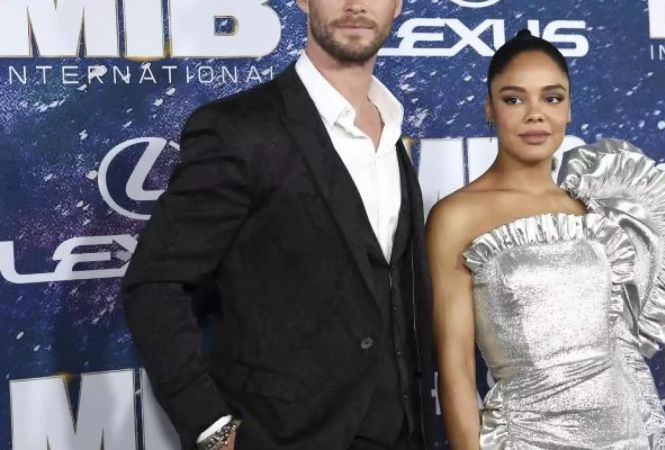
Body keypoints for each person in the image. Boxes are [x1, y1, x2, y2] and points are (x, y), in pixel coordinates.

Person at [121, 1, 434, 449]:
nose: (356, 5)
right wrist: (211, 428)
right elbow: (154, 284)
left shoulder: (390, 134)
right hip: (283, 435)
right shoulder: (238, 129)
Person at [427, 30, 665, 449]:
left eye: (552, 98)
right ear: (489, 108)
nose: (535, 114)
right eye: (514, 99)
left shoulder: (593, 211)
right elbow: (456, 369)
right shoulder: (456, 216)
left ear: (569, 108)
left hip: (631, 433)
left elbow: (622, 349)